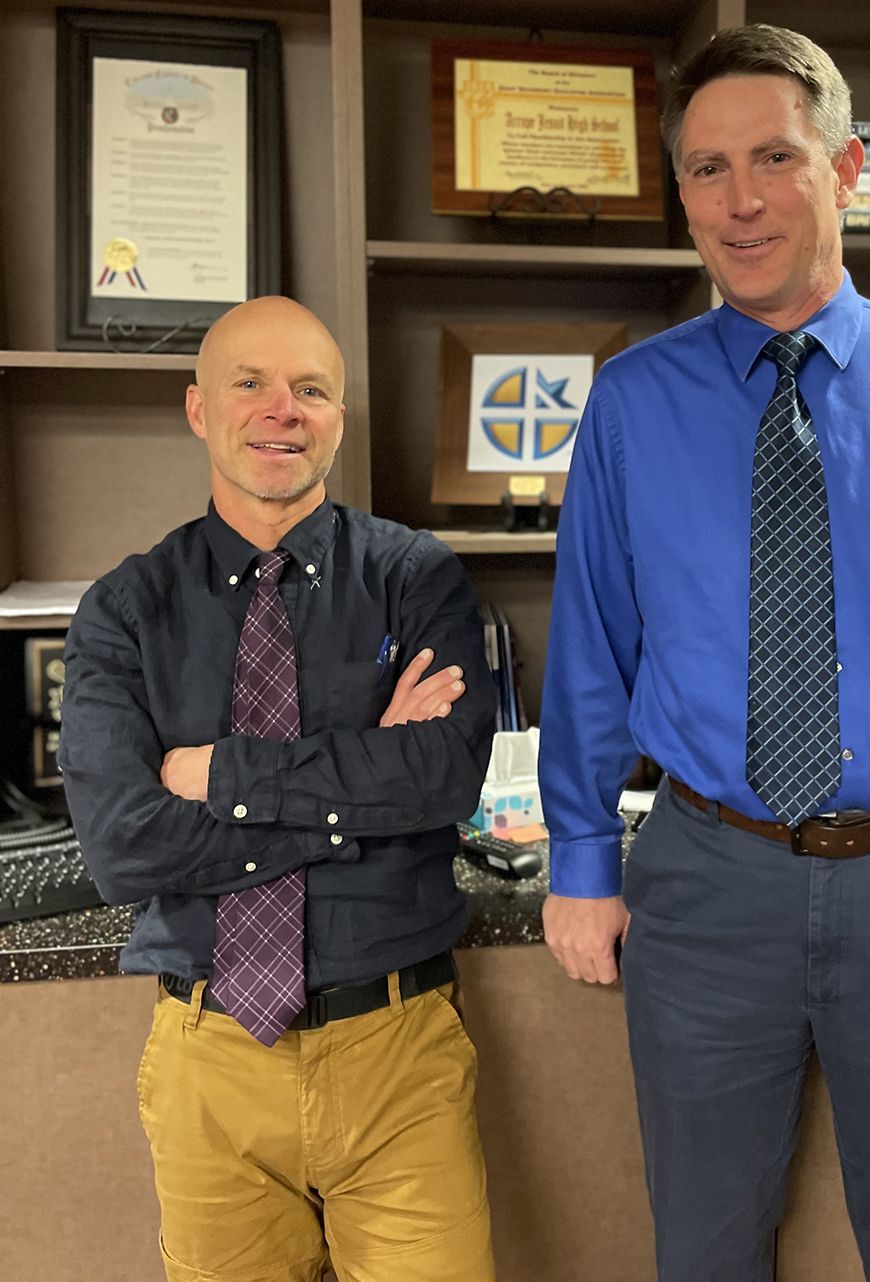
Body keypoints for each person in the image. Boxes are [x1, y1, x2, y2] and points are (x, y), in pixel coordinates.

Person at [538, 24, 870, 1282]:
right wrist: (579, 856)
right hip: (706, 883)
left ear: (844, 168)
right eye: (706, 168)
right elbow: (589, 652)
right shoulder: (631, 402)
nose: (739, 201)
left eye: (773, 157)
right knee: (707, 1248)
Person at [59, 296, 497, 1282]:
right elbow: (124, 844)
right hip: (208, 1061)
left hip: (400, 1053)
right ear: (199, 409)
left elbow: (445, 776)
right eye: (249, 384)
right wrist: (356, 785)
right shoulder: (126, 607)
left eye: (311, 389)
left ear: (339, 417)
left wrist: (230, 777)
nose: (281, 410)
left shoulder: (416, 576)